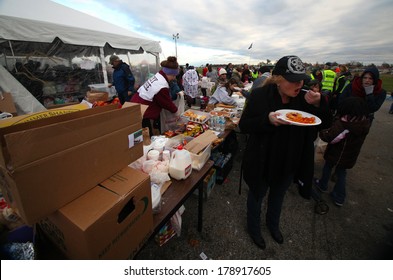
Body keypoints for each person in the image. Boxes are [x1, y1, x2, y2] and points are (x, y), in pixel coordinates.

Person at [239, 55, 331, 249]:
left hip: (288, 159)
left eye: (301, 79)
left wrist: (318, 104)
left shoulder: (303, 98)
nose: (299, 84)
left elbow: (326, 124)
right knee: (256, 196)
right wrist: (267, 120)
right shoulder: (259, 96)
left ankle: (273, 225)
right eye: (293, 80)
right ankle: (254, 229)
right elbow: (244, 125)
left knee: (278, 196)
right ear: (278, 79)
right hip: (262, 160)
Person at [314, 96, 371, 206]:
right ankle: (338, 196)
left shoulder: (345, 124)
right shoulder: (364, 122)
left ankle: (328, 188)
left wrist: (322, 132)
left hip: (337, 154)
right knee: (342, 173)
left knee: (329, 168)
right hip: (351, 154)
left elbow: (332, 138)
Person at [130, 56, 179, 136]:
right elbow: (166, 103)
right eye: (173, 76)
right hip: (143, 109)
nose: (174, 78)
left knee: (141, 130)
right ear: (168, 73)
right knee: (144, 132)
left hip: (137, 102)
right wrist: (176, 112)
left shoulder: (158, 75)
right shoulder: (162, 85)